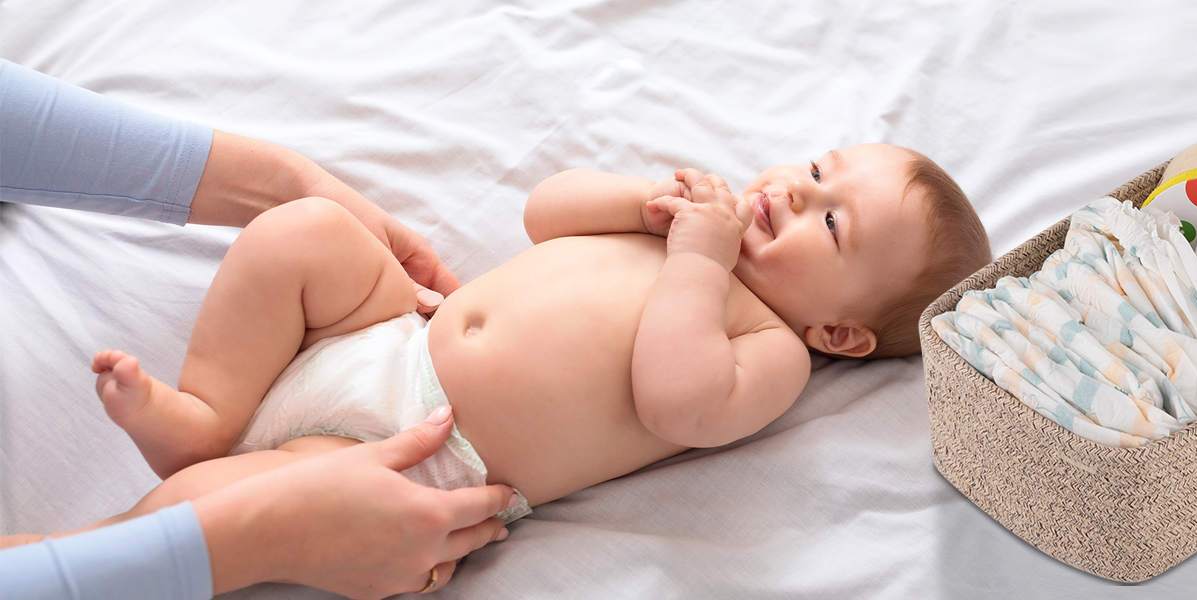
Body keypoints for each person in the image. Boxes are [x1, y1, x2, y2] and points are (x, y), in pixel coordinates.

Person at [38, 139, 991, 566]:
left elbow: (679, 402)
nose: (796, 191)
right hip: (388, 330)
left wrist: (700, 262)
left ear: (838, 334)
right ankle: (206, 415)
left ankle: (111, 541)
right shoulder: (681, 219)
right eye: (817, 168)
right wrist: (639, 206)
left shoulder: (768, 347)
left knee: (221, 509)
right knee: (305, 231)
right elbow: (544, 213)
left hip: (414, 450)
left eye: (833, 223)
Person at [0, 60, 516, 599]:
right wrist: (272, 538)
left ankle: (204, 419)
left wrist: (287, 184)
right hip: (376, 447)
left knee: (306, 228)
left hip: (385, 342)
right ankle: (98, 531)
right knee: (200, 505)